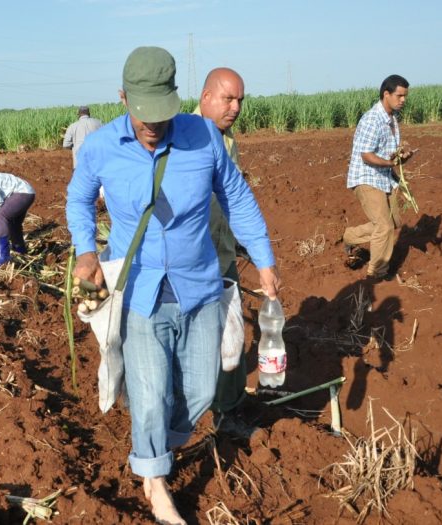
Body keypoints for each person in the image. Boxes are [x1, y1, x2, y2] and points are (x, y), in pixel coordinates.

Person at [66, 46, 279, 525]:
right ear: (123, 98)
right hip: (140, 289)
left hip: (198, 286)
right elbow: (78, 198)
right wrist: (85, 249)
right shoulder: (101, 146)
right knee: (149, 389)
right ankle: (155, 479)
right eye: (143, 114)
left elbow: (238, 198)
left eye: (161, 113)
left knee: (202, 388)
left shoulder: (203, 136)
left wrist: (263, 258)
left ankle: (158, 444)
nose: (152, 125)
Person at [192, 67, 256, 437]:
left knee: (231, 331)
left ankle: (228, 409)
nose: (235, 107)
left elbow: (229, 196)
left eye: (240, 101)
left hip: (222, 251)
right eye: (227, 99)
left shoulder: (228, 139)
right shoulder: (185, 136)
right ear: (205, 97)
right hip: (190, 258)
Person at [342, 75, 414, 281]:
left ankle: (350, 236)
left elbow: (388, 153)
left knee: (392, 222)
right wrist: (391, 163)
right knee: (384, 226)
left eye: (405, 96)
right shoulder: (372, 119)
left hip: (384, 177)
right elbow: (366, 155)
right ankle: (376, 274)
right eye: (399, 96)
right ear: (386, 94)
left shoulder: (392, 120)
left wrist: (401, 156)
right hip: (366, 177)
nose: (403, 100)